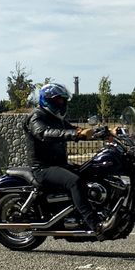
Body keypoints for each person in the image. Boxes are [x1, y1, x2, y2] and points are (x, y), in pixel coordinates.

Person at [25, 82, 102, 233]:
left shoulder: (57, 119)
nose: (62, 103)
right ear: (47, 100)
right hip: (43, 168)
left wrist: (105, 132)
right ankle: (95, 224)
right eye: (59, 100)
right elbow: (44, 133)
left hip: (59, 164)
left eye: (63, 100)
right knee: (75, 182)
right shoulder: (36, 116)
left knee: (91, 172)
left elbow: (75, 129)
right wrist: (75, 134)